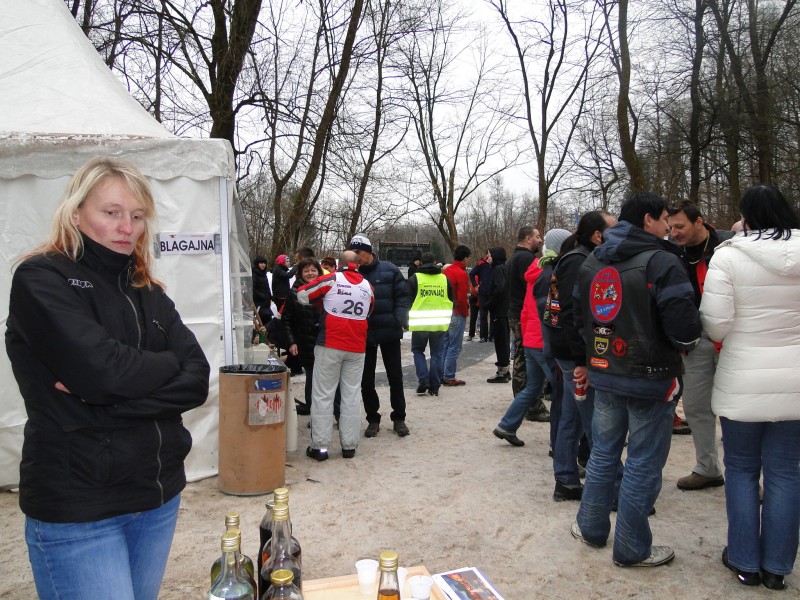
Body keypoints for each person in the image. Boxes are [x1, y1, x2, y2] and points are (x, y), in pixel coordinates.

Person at [5, 156, 210, 600]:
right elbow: (105, 373)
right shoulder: (41, 278)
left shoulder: (147, 290)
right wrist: (163, 366)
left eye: (137, 216)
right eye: (111, 212)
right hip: (81, 507)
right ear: (76, 212)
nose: (126, 227)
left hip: (156, 496)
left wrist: (107, 396)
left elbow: (197, 378)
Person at [571, 192, 700, 568]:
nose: (667, 226)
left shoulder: (593, 261)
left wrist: (596, 353)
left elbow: (579, 317)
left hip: (605, 369)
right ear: (648, 220)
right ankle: (631, 548)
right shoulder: (662, 261)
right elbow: (684, 326)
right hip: (650, 376)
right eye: (664, 219)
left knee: (603, 452)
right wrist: (685, 345)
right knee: (643, 461)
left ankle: (591, 527)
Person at [700, 185, 800, 590]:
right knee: (786, 472)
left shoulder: (728, 256)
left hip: (743, 377)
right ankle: (777, 568)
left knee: (741, 469)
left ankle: (745, 560)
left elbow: (716, 324)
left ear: (747, 215)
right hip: (795, 379)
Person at [545, 212, 616, 501]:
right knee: (595, 423)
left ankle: (566, 481)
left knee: (572, 417)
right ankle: (612, 488)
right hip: (573, 353)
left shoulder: (580, 256)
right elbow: (570, 313)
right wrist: (581, 361)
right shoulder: (579, 260)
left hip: (569, 351)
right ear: (598, 235)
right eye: (613, 229)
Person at [667, 201, 726, 490]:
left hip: (730, 336)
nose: (674, 233)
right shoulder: (670, 253)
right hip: (693, 339)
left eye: (680, 226)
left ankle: (747, 475)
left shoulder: (727, 246)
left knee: (736, 408)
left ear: (699, 222)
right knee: (695, 406)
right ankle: (708, 468)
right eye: (670, 227)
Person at [493, 229, 569, 448]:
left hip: (531, 337)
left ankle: (507, 425)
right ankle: (560, 444)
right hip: (543, 340)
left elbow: (528, 308)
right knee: (562, 391)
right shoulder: (552, 272)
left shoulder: (536, 269)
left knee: (533, 387)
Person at [298, 250, 374, 461]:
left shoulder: (331, 279)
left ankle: (320, 447)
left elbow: (302, 294)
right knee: (351, 395)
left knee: (323, 394)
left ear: (340, 263)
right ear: (358, 264)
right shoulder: (368, 286)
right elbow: (369, 311)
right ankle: (349, 446)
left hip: (330, 343)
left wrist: (320, 300)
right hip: (357, 346)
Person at [349, 234, 411, 438]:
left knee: (395, 377)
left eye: (359, 252)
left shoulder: (390, 270)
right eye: (353, 253)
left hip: (389, 331)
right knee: (366, 380)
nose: (356, 256)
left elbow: (403, 296)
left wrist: (399, 318)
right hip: (363, 334)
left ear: (369, 251)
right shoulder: (350, 274)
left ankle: (399, 418)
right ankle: (372, 419)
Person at [505, 226, 548, 420]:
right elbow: (534, 287)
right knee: (526, 359)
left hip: (515, 312)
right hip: (524, 314)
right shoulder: (526, 259)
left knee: (521, 356)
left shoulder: (514, 258)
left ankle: (524, 400)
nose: (540, 240)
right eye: (537, 236)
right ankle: (530, 404)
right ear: (528, 238)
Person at [282, 257, 323, 415]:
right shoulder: (294, 292)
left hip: (325, 341)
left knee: (326, 379)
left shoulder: (326, 289)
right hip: (305, 342)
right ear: (300, 273)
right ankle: (313, 410)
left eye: (313, 270)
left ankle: (328, 411)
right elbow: (287, 319)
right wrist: (291, 342)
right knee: (311, 376)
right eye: (306, 271)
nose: (310, 273)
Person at [441, 244, 471, 386]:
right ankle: (449, 375)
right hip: (457, 313)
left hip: (445, 312)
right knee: (454, 346)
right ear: (465, 258)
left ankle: (441, 373)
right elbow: (462, 297)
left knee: (445, 345)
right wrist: (465, 312)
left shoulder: (446, 271)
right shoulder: (462, 273)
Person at [483, 246, 510, 383]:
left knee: (500, 341)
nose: (488, 258)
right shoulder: (503, 268)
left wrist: (489, 303)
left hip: (499, 311)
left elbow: (499, 288)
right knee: (503, 340)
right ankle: (504, 369)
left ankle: (503, 371)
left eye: (490, 255)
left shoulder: (498, 269)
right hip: (503, 310)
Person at [468, 250, 493, 342]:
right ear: (486, 255)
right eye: (489, 254)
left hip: (492, 293)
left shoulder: (496, 265)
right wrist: (475, 286)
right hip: (480, 294)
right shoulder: (481, 264)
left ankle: (492, 335)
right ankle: (481, 335)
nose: (490, 256)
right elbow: (471, 274)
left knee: (492, 315)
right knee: (480, 316)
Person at [252, 255, 273, 330]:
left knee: (267, 323)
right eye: (261, 263)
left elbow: (267, 287)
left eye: (264, 263)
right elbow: (252, 289)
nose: (263, 265)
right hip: (259, 303)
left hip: (266, 303)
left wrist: (270, 296)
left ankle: (265, 335)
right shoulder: (254, 274)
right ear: (257, 264)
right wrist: (261, 296)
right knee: (266, 322)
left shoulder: (264, 274)